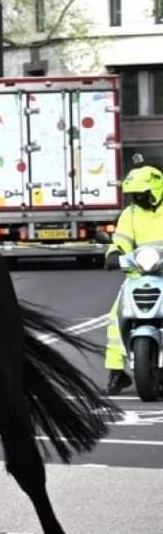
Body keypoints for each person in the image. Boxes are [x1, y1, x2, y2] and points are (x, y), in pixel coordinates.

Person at [103, 163, 163, 394]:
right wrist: (114, 255)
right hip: (139, 275)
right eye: (134, 194)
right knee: (115, 317)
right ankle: (117, 372)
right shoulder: (130, 214)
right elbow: (121, 240)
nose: (137, 198)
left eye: (141, 193)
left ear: (154, 190)